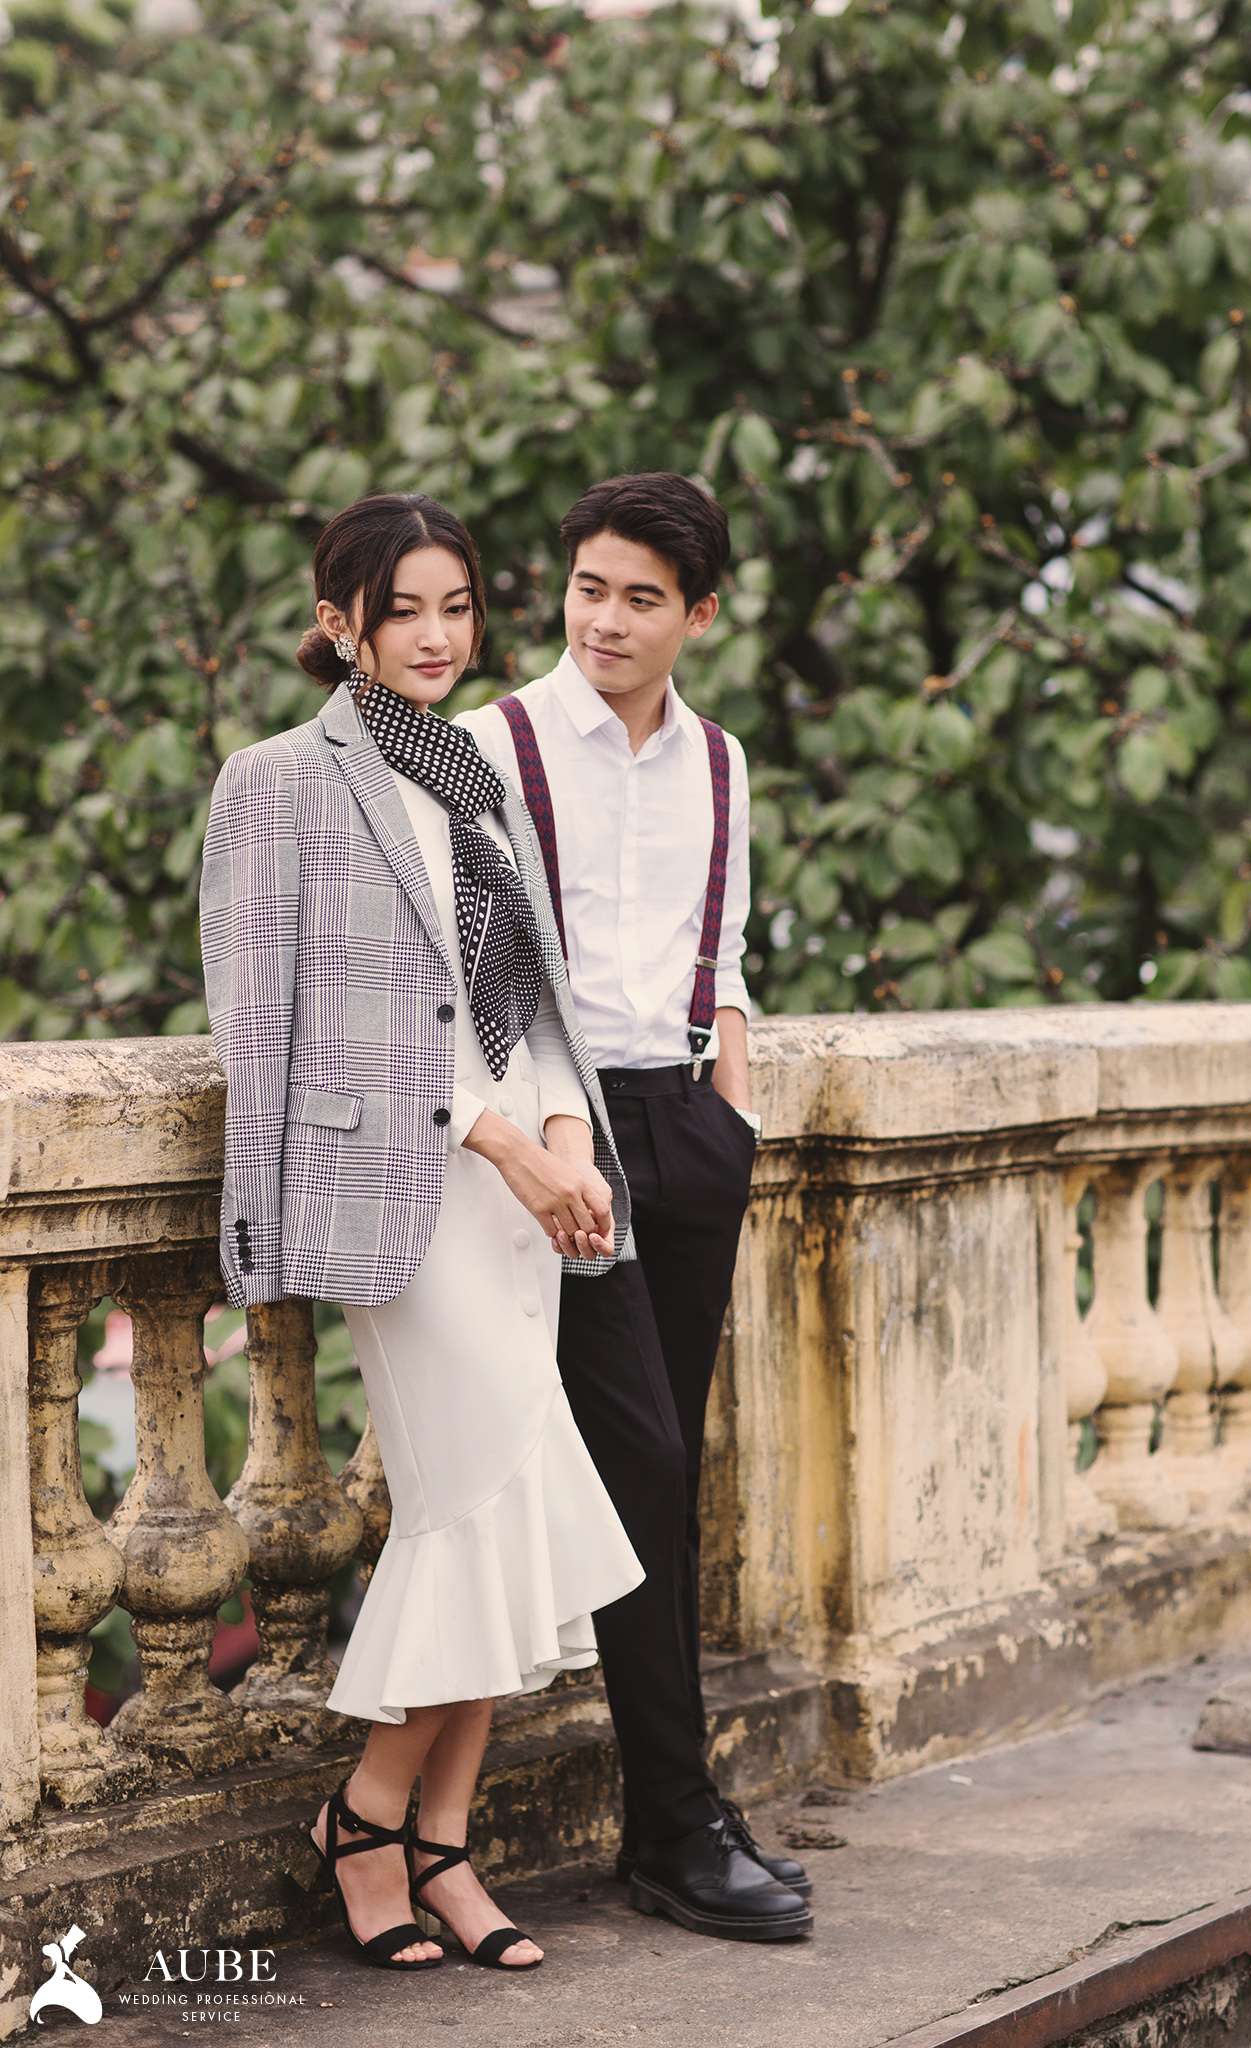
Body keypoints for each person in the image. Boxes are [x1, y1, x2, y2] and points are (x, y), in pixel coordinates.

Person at [199, 492, 645, 1976]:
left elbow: (534, 992)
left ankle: (436, 1844)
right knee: (473, 1508)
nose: (438, 637)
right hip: (408, 1193)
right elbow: (265, 1030)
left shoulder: (477, 772)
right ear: (339, 623)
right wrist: (502, 1142)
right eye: (404, 611)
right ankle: (369, 1811)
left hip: (525, 1197)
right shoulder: (275, 783)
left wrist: (564, 1136)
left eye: (458, 607)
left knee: (505, 1512)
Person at [459, 471, 813, 1943]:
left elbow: (720, 951)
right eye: (587, 588)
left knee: (669, 1471)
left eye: (640, 599)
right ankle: (676, 1821)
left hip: (684, 1127)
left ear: (699, 616)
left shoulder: (720, 763)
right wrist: (552, 1136)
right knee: (642, 1461)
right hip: (560, 1133)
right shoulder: (492, 747)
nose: (603, 620)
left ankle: (675, 1822)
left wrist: (732, 1104)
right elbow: (477, 970)